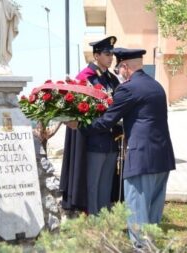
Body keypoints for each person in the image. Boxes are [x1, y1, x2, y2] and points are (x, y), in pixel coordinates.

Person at [66, 47, 176, 246]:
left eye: (119, 69)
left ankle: (141, 248)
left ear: (125, 67)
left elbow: (107, 121)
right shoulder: (157, 86)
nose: (119, 73)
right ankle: (150, 246)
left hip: (141, 159)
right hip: (163, 157)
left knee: (136, 208)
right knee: (153, 212)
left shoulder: (128, 88)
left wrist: (80, 126)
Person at [60, 36, 122, 215]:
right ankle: (94, 220)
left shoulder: (111, 78)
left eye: (112, 54)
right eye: (106, 53)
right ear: (96, 56)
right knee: (93, 184)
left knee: (106, 183)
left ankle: (105, 219)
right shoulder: (85, 78)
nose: (111, 57)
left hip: (110, 139)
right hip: (93, 140)